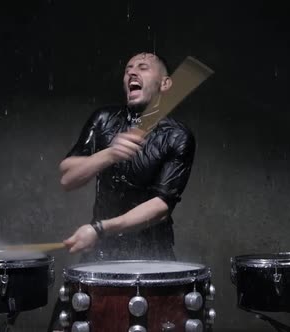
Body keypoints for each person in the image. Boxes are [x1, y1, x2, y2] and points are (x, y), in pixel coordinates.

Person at [60, 52, 196, 261]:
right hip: (102, 251)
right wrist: (110, 154)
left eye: (143, 67)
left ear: (165, 83)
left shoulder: (177, 136)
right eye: (128, 69)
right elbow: (68, 178)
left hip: (152, 253)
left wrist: (100, 228)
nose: (132, 72)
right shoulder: (103, 119)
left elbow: (161, 207)